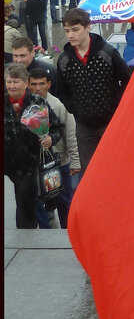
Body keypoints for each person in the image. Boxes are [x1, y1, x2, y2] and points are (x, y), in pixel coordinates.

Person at [54, 8, 132, 170]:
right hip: (84, 126)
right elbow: (61, 90)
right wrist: (74, 107)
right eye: (67, 31)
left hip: (110, 122)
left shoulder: (107, 53)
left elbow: (127, 80)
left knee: (116, 167)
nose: (70, 35)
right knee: (89, 171)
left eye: (75, 30)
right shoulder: (64, 60)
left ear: (88, 27)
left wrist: (116, 104)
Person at [5, 62, 63, 229]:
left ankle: (25, 239)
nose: (11, 85)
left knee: (25, 201)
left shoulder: (37, 103)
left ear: (26, 83)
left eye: (15, 81)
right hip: (7, 159)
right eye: (9, 81)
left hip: (28, 162)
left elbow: (58, 128)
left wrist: (51, 139)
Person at [27, 65, 79, 228]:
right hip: (35, 163)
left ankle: (67, 231)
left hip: (59, 162)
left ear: (49, 84)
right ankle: (45, 231)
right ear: (28, 85)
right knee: (36, 201)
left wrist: (75, 161)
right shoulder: (25, 104)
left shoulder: (58, 105)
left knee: (63, 200)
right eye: (34, 84)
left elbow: (70, 133)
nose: (38, 88)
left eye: (41, 84)